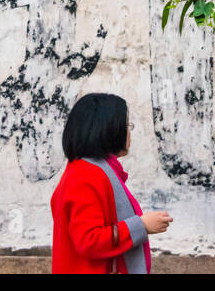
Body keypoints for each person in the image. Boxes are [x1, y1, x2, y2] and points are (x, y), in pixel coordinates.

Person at [50, 92, 171, 274]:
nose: (129, 133)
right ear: (107, 130)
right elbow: (89, 240)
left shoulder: (95, 171)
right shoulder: (86, 176)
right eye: (126, 126)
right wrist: (142, 226)